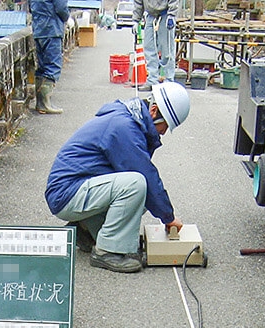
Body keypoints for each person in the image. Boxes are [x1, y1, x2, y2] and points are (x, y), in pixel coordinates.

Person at [45, 82, 190, 273]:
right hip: (66, 193)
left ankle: (86, 230)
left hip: (77, 188)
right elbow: (145, 175)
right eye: (165, 126)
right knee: (137, 185)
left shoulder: (129, 119)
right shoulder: (124, 127)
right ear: (154, 111)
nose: (163, 132)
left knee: (143, 195)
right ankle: (108, 251)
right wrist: (169, 218)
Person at [30, 0, 70, 114]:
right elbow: (61, 8)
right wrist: (67, 17)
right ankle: (45, 104)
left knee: (42, 67)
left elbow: (31, 8)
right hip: (52, 29)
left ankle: (40, 103)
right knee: (53, 66)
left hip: (38, 29)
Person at [132, 0, 178, 91]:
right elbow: (138, 2)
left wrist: (172, 14)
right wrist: (136, 20)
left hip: (165, 15)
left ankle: (168, 80)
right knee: (149, 48)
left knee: (167, 49)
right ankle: (152, 80)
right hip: (150, 16)